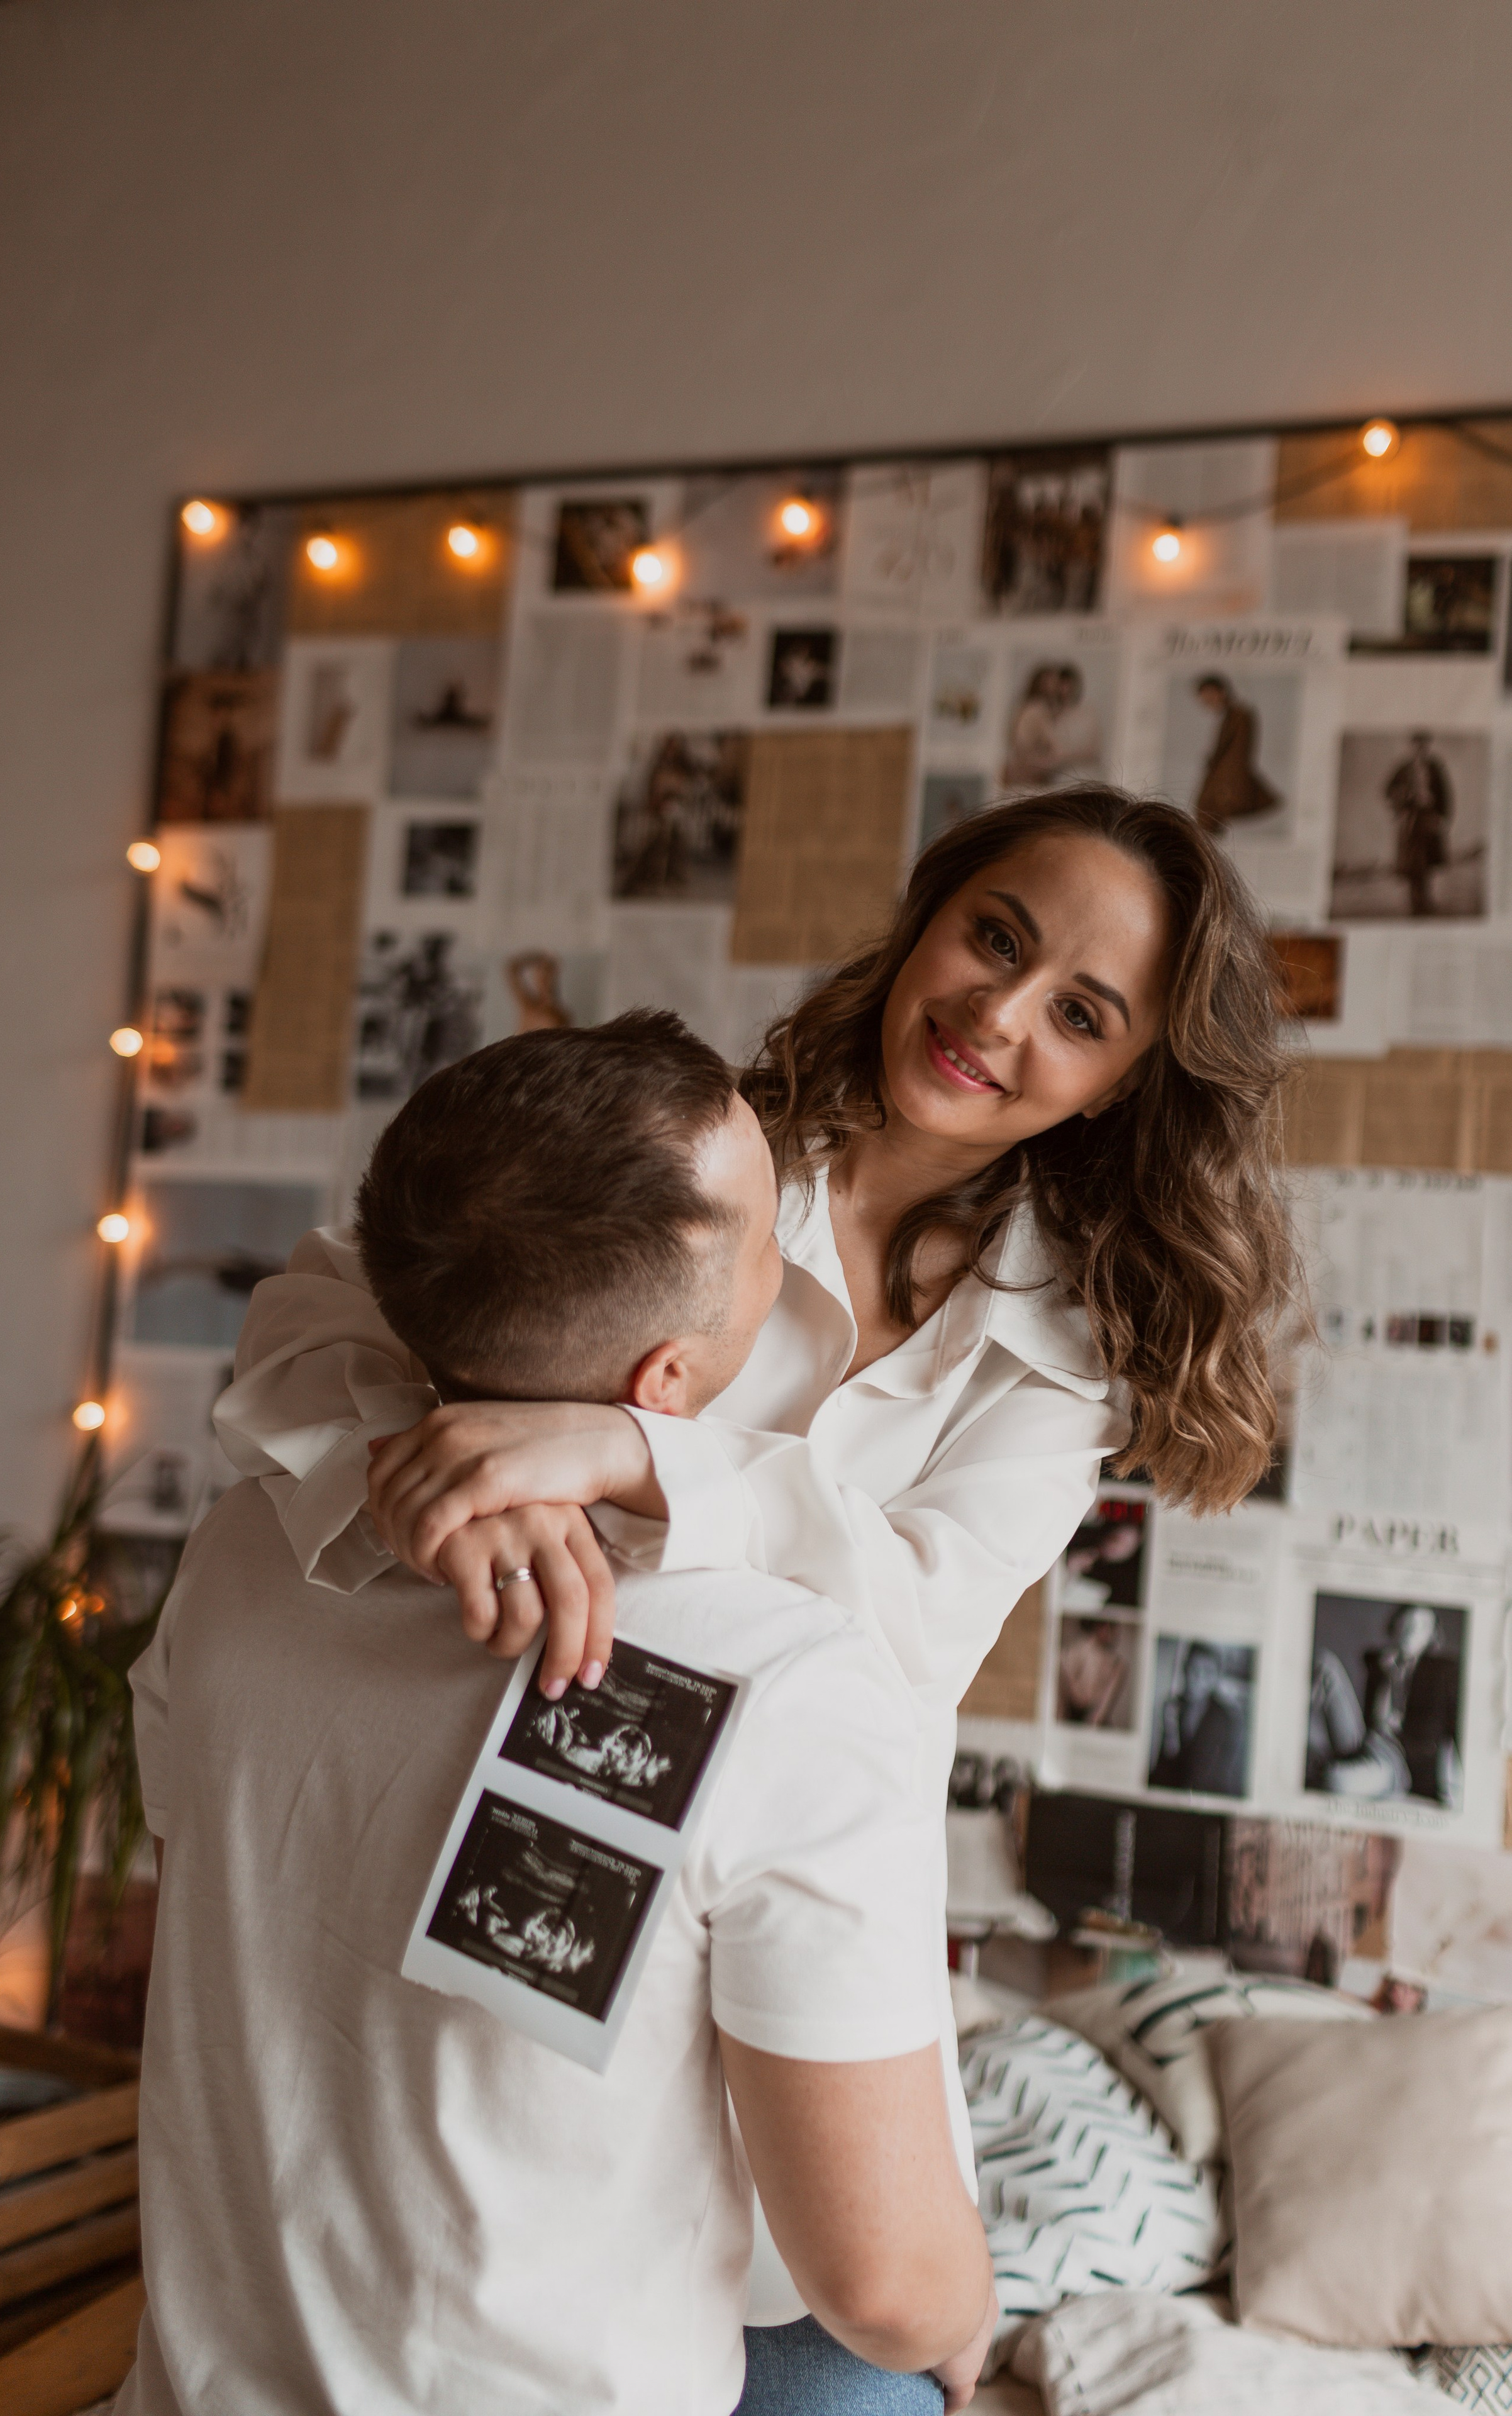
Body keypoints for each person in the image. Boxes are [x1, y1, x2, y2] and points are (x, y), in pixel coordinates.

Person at [215, 786, 1298, 2321]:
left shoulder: (1056, 1363)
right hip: (509, 1904)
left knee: (827, 2318)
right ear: (925, 916)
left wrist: (640, 1456)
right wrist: (454, 1462)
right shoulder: (687, 1146)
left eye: (1078, 1009)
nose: (994, 1013)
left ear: (1122, 1082)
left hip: (801, 1981)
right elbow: (312, 1316)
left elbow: (913, 1626)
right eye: (992, 935)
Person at [120, 1013, 996, 2416]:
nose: (790, 1270)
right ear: (665, 1383)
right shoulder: (790, 1679)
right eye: (778, 1243)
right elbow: (887, 2292)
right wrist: (971, 2310)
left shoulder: (237, 1560)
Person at [1306, 1602, 1462, 1806]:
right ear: (1396, 1626)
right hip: (1363, 1739)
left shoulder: (1439, 1672)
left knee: (1335, 1780)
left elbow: (1453, 1726)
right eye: (1408, 1623)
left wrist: (1452, 1782)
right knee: (1326, 1663)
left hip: (1394, 1761)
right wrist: (1388, 1673)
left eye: (1423, 1626)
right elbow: (1372, 1713)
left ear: (1431, 1636)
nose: (1413, 1630)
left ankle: (1327, 1766)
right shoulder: (1382, 1665)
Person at [1147, 1639, 1250, 1796]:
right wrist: (1170, 1730)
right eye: (1193, 1669)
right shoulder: (1173, 1707)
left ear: (1216, 1677)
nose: (1198, 1678)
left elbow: (1220, 1775)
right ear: (1185, 1670)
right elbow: (1165, 1762)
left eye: (1207, 1672)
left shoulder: (1228, 1718)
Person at [1192, 674, 1281, 833]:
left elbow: (1238, 754)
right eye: (1204, 698)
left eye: (1210, 695)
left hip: (1229, 780)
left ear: (1222, 692)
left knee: (1207, 811)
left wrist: (1225, 782)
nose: (1208, 701)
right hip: (1225, 778)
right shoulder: (1230, 716)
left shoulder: (1240, 716)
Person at [1384, 730, 1452, 915]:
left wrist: (1442, 816)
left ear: (1428, 746)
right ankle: (1415, 903)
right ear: (1412, 746)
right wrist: (1405, 799)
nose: (1421, 748)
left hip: (1429, 818)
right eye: (1417, 744)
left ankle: (1427, 901)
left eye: (1424, 745)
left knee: (1428, 861)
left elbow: (1445, 794)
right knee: (1413, 863)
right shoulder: (1404, 769)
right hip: (1411, 820)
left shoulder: (1435, 767)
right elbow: (1389, 790)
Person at [1055, 1617, 1132, 1727]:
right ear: (1098, 1627)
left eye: (1115, 1629)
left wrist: (1096, 1719)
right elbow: (1065, 1680)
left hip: (1095, 1715)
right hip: (1070, 1712)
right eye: (1108, 1628)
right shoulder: (1079, 1650)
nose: (1114, 1634)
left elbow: (1106, 1703)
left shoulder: (1118, 1664)